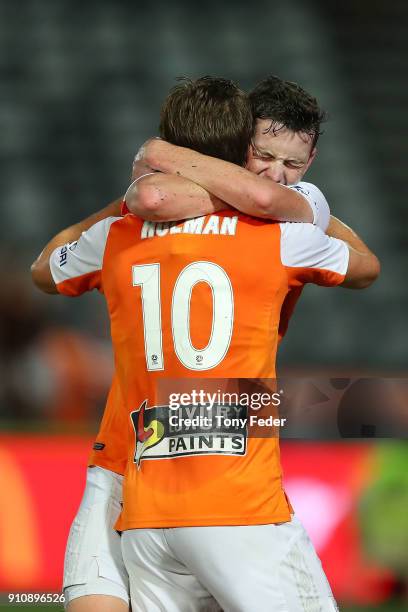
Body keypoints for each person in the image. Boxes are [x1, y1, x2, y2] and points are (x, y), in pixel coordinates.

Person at [32, 76, 379, 611]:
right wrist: (307, 204)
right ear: (234, 152)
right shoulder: (282, 237)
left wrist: (139, 193)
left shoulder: (118, 235)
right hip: (236, 494)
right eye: (263, 157)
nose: (275, 176)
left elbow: (44, 268)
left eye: (295, 167)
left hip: (147, 499)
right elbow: (367, 266)